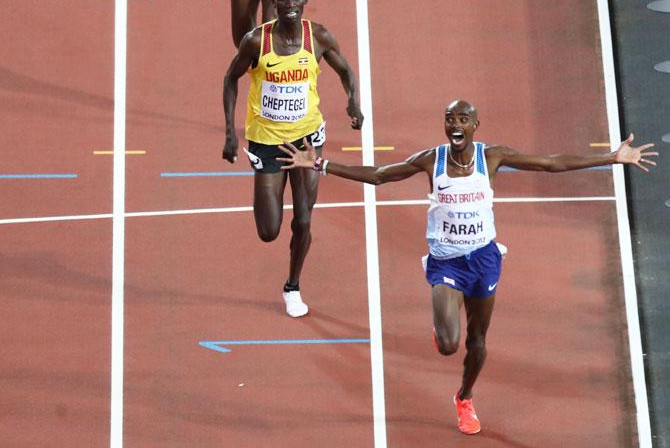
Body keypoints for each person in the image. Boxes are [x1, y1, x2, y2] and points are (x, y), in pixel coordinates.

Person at [277, 99, 657, 434]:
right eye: (449, 119)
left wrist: (610, 157)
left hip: (484, 258)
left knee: (476, 343)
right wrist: (322, 164)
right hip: (447, 261)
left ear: (476, 126)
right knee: (447, 345)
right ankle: (443, 323)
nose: (455, 125)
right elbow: (380, 175)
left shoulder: (491, 157)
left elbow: (550, 164)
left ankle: (464, 397)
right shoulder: (431, 159)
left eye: (462, 119)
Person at [221, 0, 364, 318]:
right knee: (269, 231)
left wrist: (352, 101)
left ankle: (293, 286)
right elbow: (230, 79)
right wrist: (230, 132)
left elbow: (345, 69)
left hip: (307, 138)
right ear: (274, 3)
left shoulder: (318, 36)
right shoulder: (257, 41)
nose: (289, 5)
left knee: (302, 219)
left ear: (304, 1)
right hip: (267, 140)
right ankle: (271, 197)